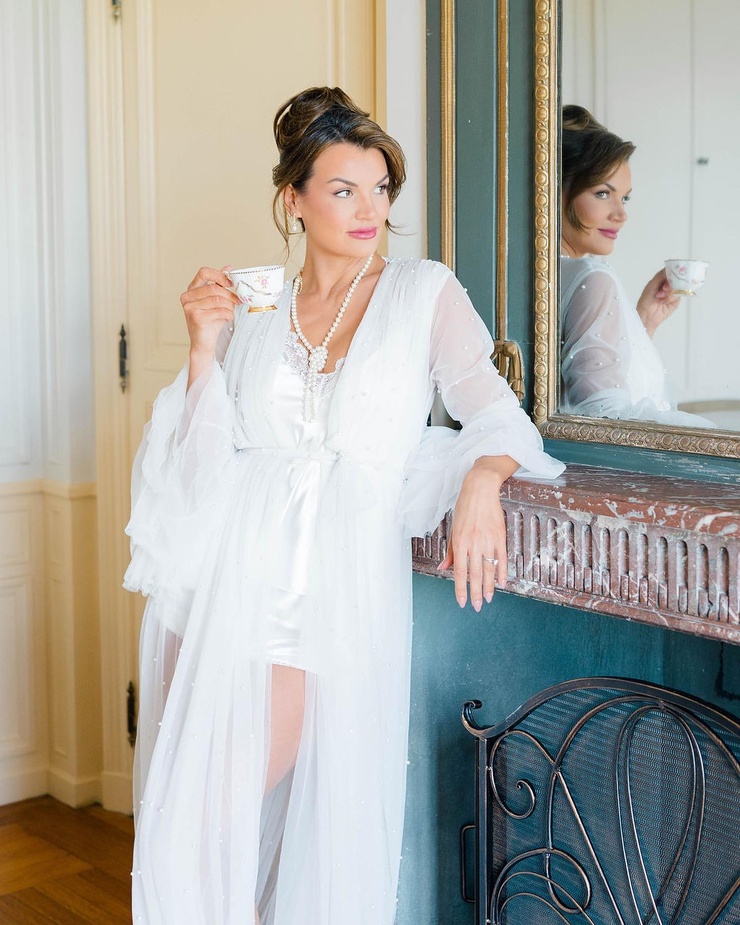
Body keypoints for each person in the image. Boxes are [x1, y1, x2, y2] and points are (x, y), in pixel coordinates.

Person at [124, 86, 564, 925]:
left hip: (324, 598)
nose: (371, 210)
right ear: (293, 199)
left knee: (223, 828)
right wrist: (204, 347)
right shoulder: (259, 312)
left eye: (381, 188)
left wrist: (482, 479)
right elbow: (203, 468)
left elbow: (498, 412)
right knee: (193, 828)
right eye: (343, 189)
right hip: (230, 586)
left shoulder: (422, 292)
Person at [559, 105, 712, 426]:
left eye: (624, 198)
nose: (621, 214)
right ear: (554, 191)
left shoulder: (552, 274)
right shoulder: (592, 277)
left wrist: (644, 322)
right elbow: (603, 417)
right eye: (603, 193)